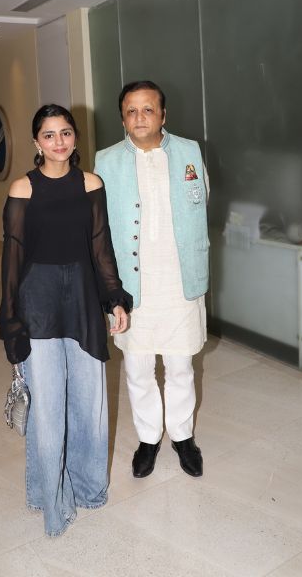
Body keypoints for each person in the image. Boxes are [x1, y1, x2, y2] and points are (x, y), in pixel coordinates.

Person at [0, 104, 132, 537]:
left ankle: (90, 489)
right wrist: (11, 321)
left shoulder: (91, 183)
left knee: (90, 401)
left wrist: (114, 299)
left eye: (66, 133)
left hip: (82, 299)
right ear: (36, 142)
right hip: (37, 301)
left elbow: (101, 247)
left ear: (75, 137)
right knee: (48, 406)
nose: (59, 142)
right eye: (49, 134)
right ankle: (48, 496)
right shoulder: (23, 188)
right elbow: (12, 260)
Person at [94, 80, 209, 479]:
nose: (139, 117)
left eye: (148, 109)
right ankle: (148, 438)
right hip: (132, 285)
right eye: (131, 111)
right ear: (122, 118)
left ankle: (182, 436)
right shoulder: (107, 160)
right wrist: (108, 289)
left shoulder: (190, 151)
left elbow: (202, 200)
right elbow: (99, 227)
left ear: (163, 114)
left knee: (181, 365)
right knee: (138, 368)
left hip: (180, 280)